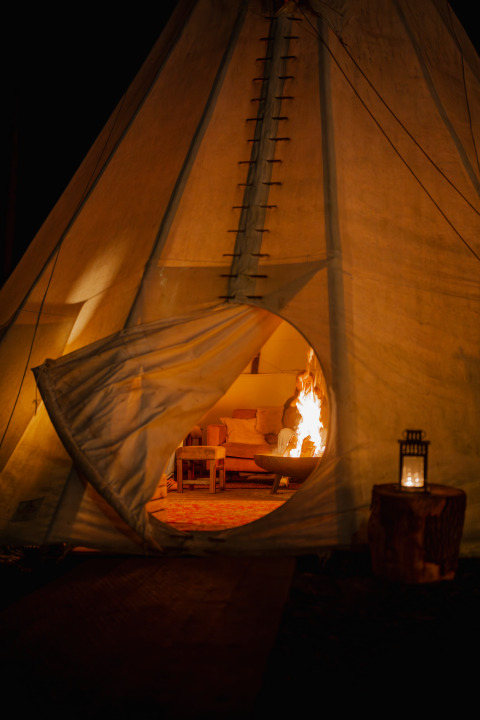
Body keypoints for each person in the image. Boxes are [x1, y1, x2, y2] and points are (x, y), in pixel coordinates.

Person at [275, 370, 324, 486]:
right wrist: (294, 405)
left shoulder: (320, 400)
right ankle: (284, 475)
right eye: (302, 382)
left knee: (326, 432)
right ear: (297, 384)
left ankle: (321, 475)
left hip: (315, 435)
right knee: (284, 432)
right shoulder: (290, 401)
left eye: (308, 382)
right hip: (296, 436)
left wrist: (320, 403)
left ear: (313, 384)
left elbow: (325, 422)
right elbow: (286, 424)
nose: (305, 385)